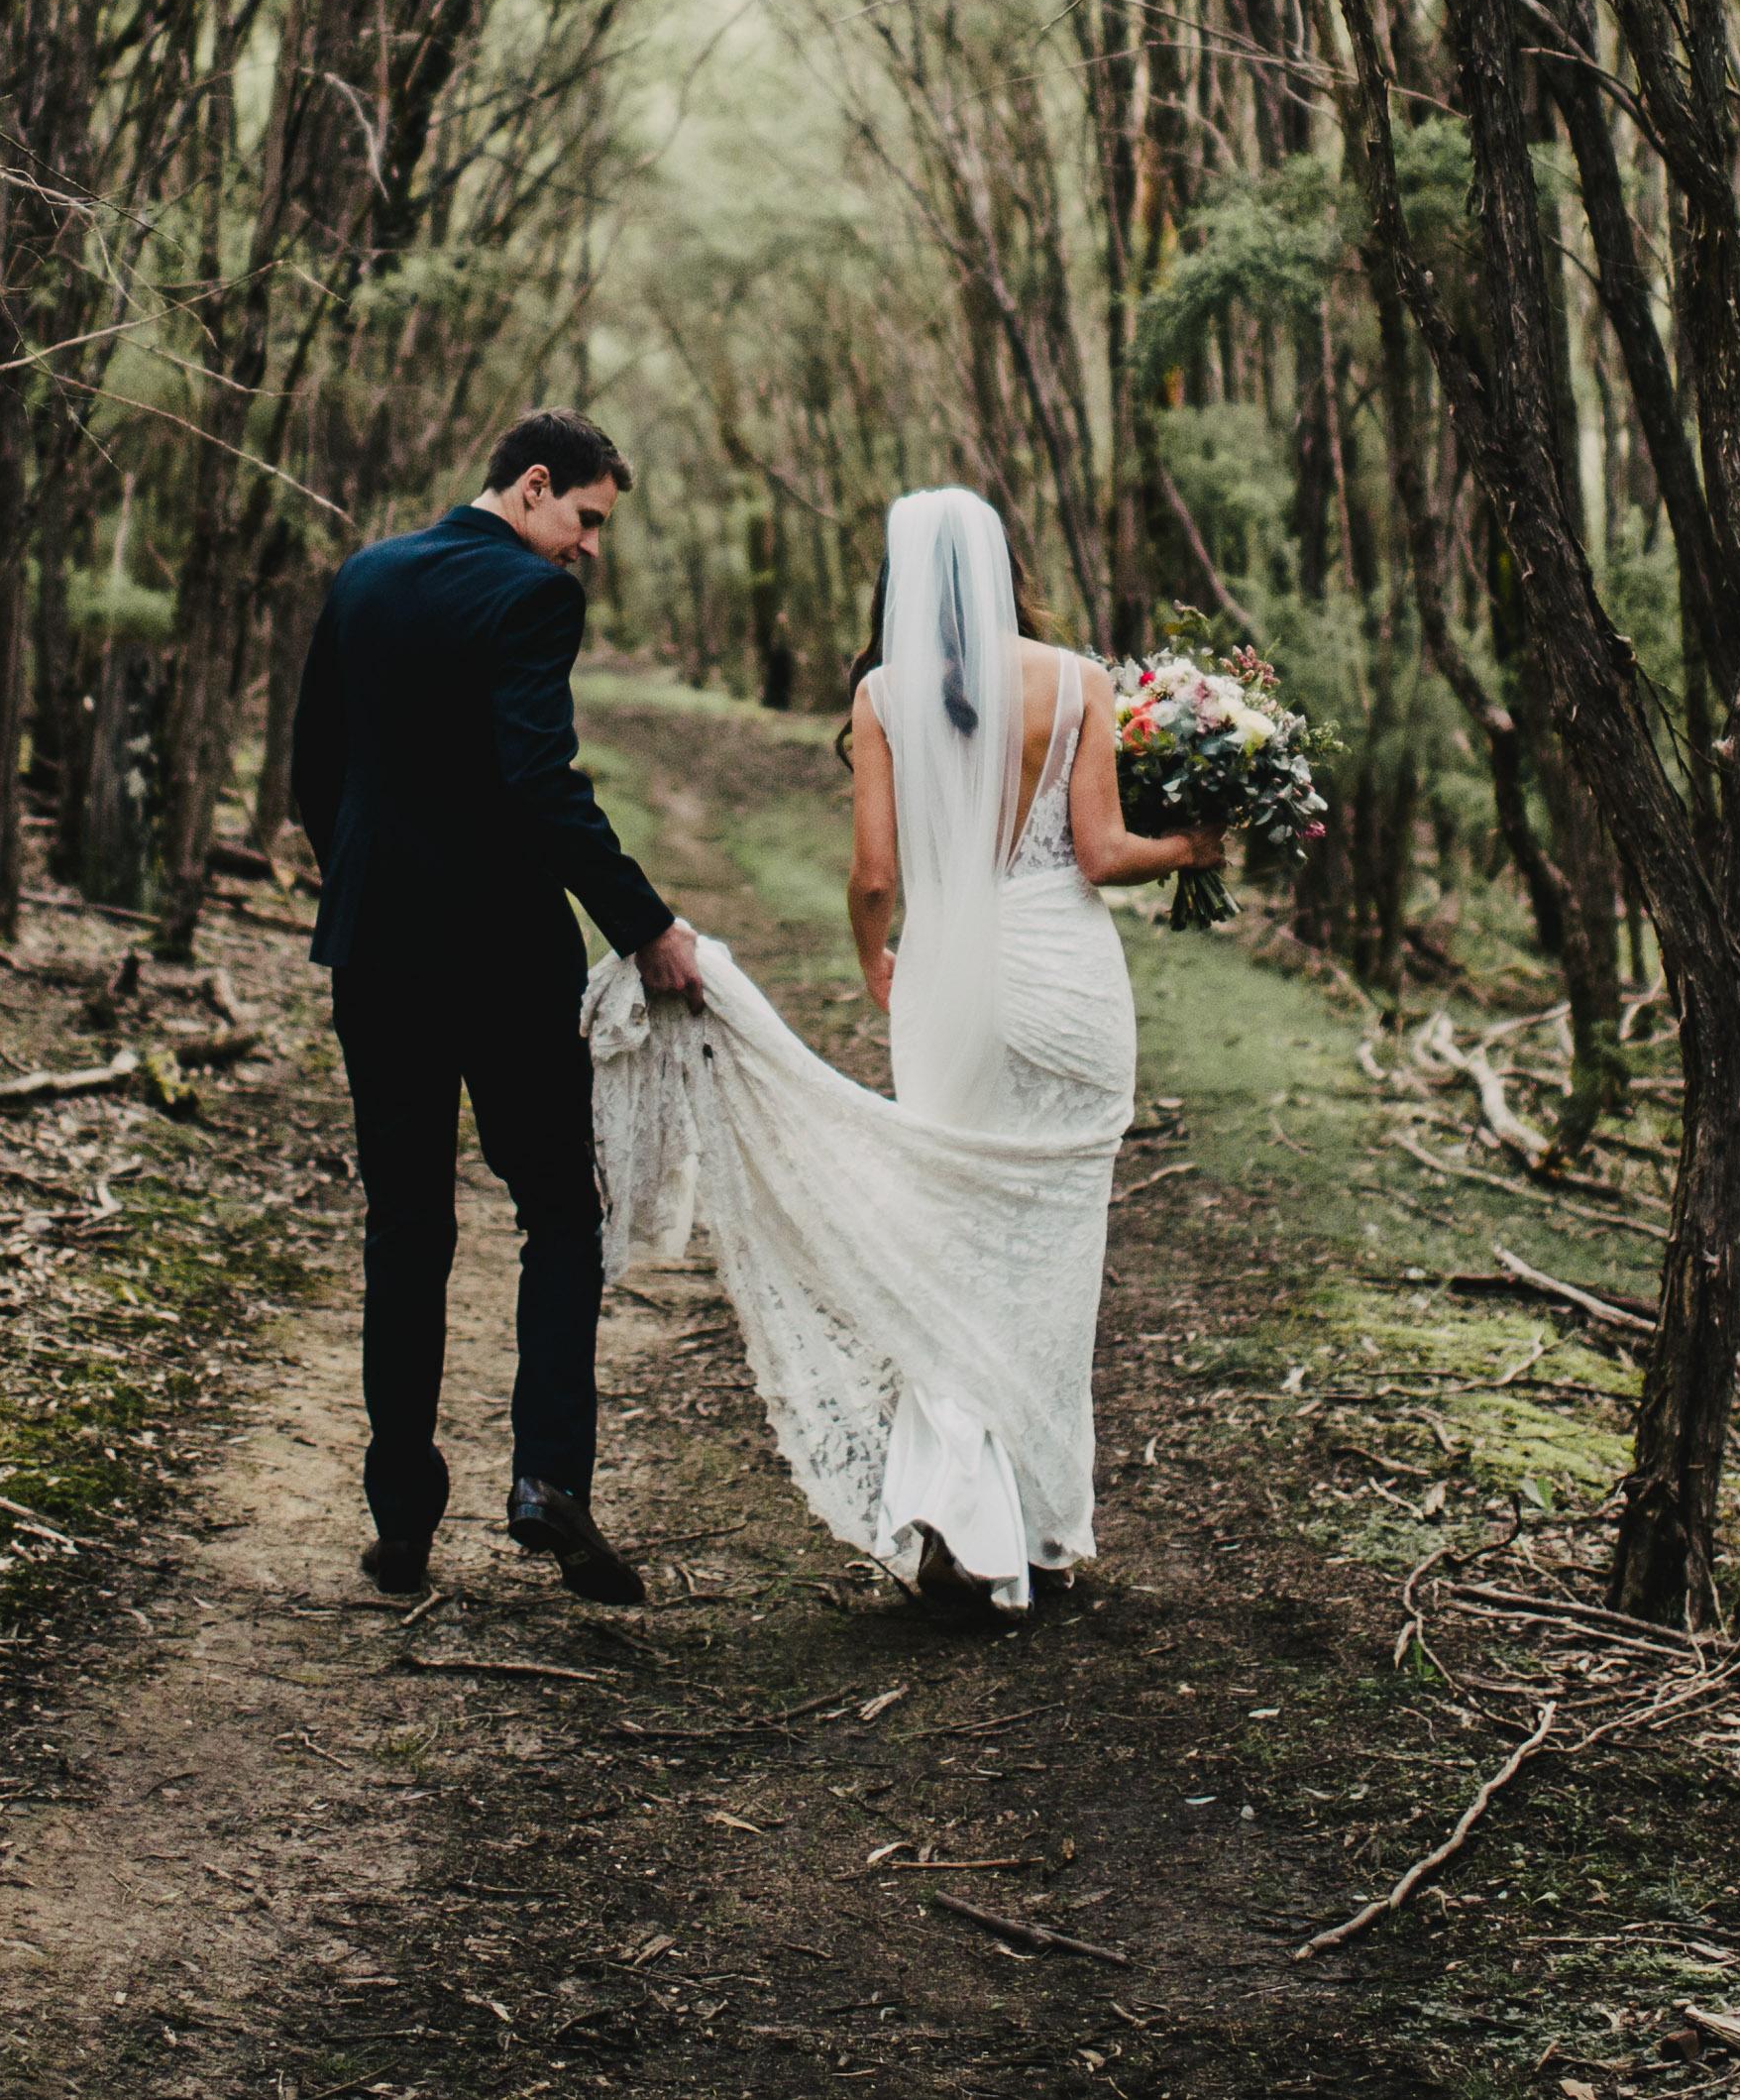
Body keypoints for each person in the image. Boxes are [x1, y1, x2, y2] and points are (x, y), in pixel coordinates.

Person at [588, 486, 1226, 1617]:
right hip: (1068, 988)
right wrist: (1193, 844)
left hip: (949, 988)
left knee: (948, 1235)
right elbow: (1098, 854)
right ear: (1002, 564)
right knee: (1052, 1260)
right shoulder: (1078, 679)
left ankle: (959, 1513)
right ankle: (1037, 1526)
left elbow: (876, 875)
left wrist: (876, 958)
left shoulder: (881, 695)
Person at [288, 407, 703, 1605]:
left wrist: (364, 873)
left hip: (373, 951)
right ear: (531, 487)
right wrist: (648, 925)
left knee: (406, 1223)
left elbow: (317, 766)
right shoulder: (531, 600)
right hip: (502, 959)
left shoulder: (364, 575)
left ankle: (400, 1523)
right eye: (585, 518)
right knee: (560, 1212)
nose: (587, 549)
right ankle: (547, 1483)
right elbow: (541, 785)